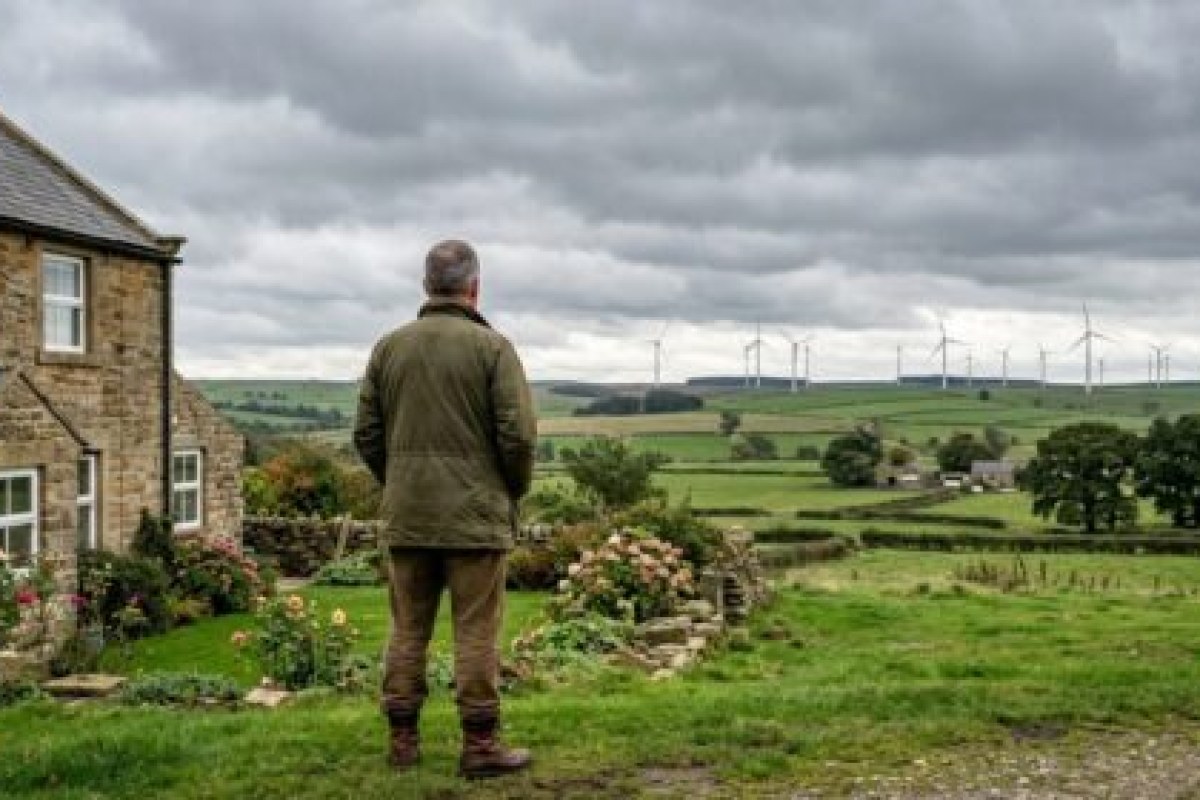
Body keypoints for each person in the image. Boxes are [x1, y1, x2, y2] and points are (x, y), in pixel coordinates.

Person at [354, 239, 537, 779]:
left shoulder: (389, 347)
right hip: (475, 518)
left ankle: (403, 741)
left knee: (407, 629)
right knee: (475, 631)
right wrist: (510, 490)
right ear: (474, 286)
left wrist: (401, 481)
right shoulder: (493, 349)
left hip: (408, 515)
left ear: (426, 285)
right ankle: (480, 746)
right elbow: (519, 437)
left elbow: (365, 432)